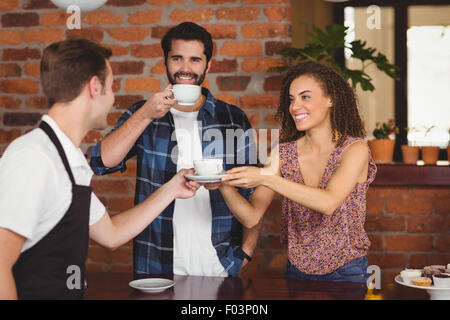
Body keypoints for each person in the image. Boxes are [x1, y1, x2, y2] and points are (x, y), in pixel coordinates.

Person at [0, 38, 200, 300]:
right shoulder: (33, 156)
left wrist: (173, 188)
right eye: (112, 86)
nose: (113, 96)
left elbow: (112, 233)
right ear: (95, 87)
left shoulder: (69, 161)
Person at [90, 22, 261, 278]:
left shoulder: (233, 118)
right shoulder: (144, 112)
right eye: (177, 58)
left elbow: (255, 189)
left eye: (195, 59)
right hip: (155, 266)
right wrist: (146, 115)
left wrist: (245, 251)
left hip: (219, 265)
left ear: (208, 65)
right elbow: (100, 163)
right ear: (166, 62)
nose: (185, 68)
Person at [217, 60, 377, 283]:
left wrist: (266, 178)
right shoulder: (282, 153)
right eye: (291, 99)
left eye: (305, 97)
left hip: (346, 271)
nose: (294, 106)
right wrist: (222, 184)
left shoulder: (354, 149)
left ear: (331, 98)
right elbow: (251, 216)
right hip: (296, 271)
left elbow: (328, 202)